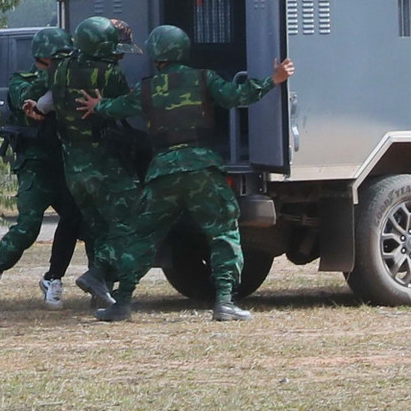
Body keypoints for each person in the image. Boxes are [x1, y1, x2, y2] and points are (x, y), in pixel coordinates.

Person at [76, 24, 295, 322]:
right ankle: (225, 303)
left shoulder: (146, 87)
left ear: (156, 55)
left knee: (141, 238)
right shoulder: (204, 78)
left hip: (162, 172)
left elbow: (118, 108)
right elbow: (236, 96)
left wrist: (97, 105)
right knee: (223, 232)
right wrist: (274, 80)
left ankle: (121, 303)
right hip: (201, 169)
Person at [27, 16, 142, 307]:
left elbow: (48, 100)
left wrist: (39, 108)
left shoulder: (59, 68)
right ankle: (98, 276)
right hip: (104, 162)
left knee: (95, 227)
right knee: (126, 221)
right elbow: (122, 107)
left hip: (72, 164)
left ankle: (100, 291)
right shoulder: (111, 73)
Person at [0, 27, 91, 312]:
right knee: (28, 228)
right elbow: (26, 96)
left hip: (66, 161)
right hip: (36, 165)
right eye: (59, 59)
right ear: (45, 58)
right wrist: (57, 75)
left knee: (87, 222)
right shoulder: (22, 80)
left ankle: (72, 281)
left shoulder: (67, 80)